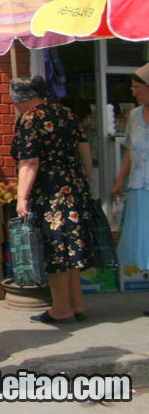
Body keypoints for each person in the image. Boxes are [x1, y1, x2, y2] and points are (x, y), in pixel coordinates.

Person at [10, 76, 95, 324]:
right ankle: (76, 304)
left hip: (50, 192)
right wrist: (85, 177)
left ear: (23, 99)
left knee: (55, 249)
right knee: (71, 249)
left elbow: (28, 162)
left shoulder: (30, 119)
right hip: (74, 187)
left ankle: (60, 308)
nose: (13, 105)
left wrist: (21, 198)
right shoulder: (65, 112)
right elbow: (84, 147)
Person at [114, 64, 149, 315]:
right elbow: (128, 152)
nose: (135, 93)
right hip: (139, 187)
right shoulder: (135, 117)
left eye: (138, 89)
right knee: (145, 246)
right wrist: (119, 181)